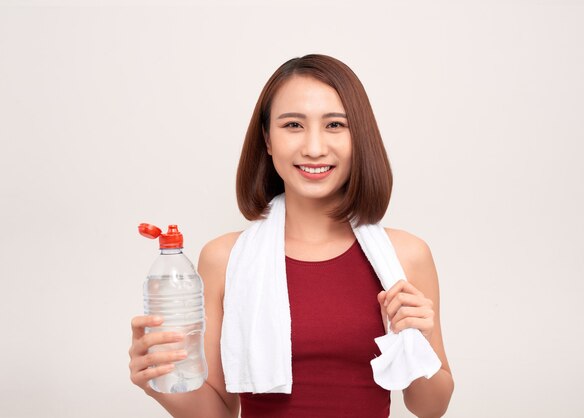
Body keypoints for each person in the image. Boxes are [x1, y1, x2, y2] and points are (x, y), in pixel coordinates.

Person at [129, 54, 454, 417]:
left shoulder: (406, 256)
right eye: (293, 125)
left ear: (358, 137)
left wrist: (418, 339)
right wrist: (156, 381)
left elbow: (431, 408)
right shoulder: (223, 259)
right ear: (267, 139)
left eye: (334, 125)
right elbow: (218, 412)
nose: (314, 147)